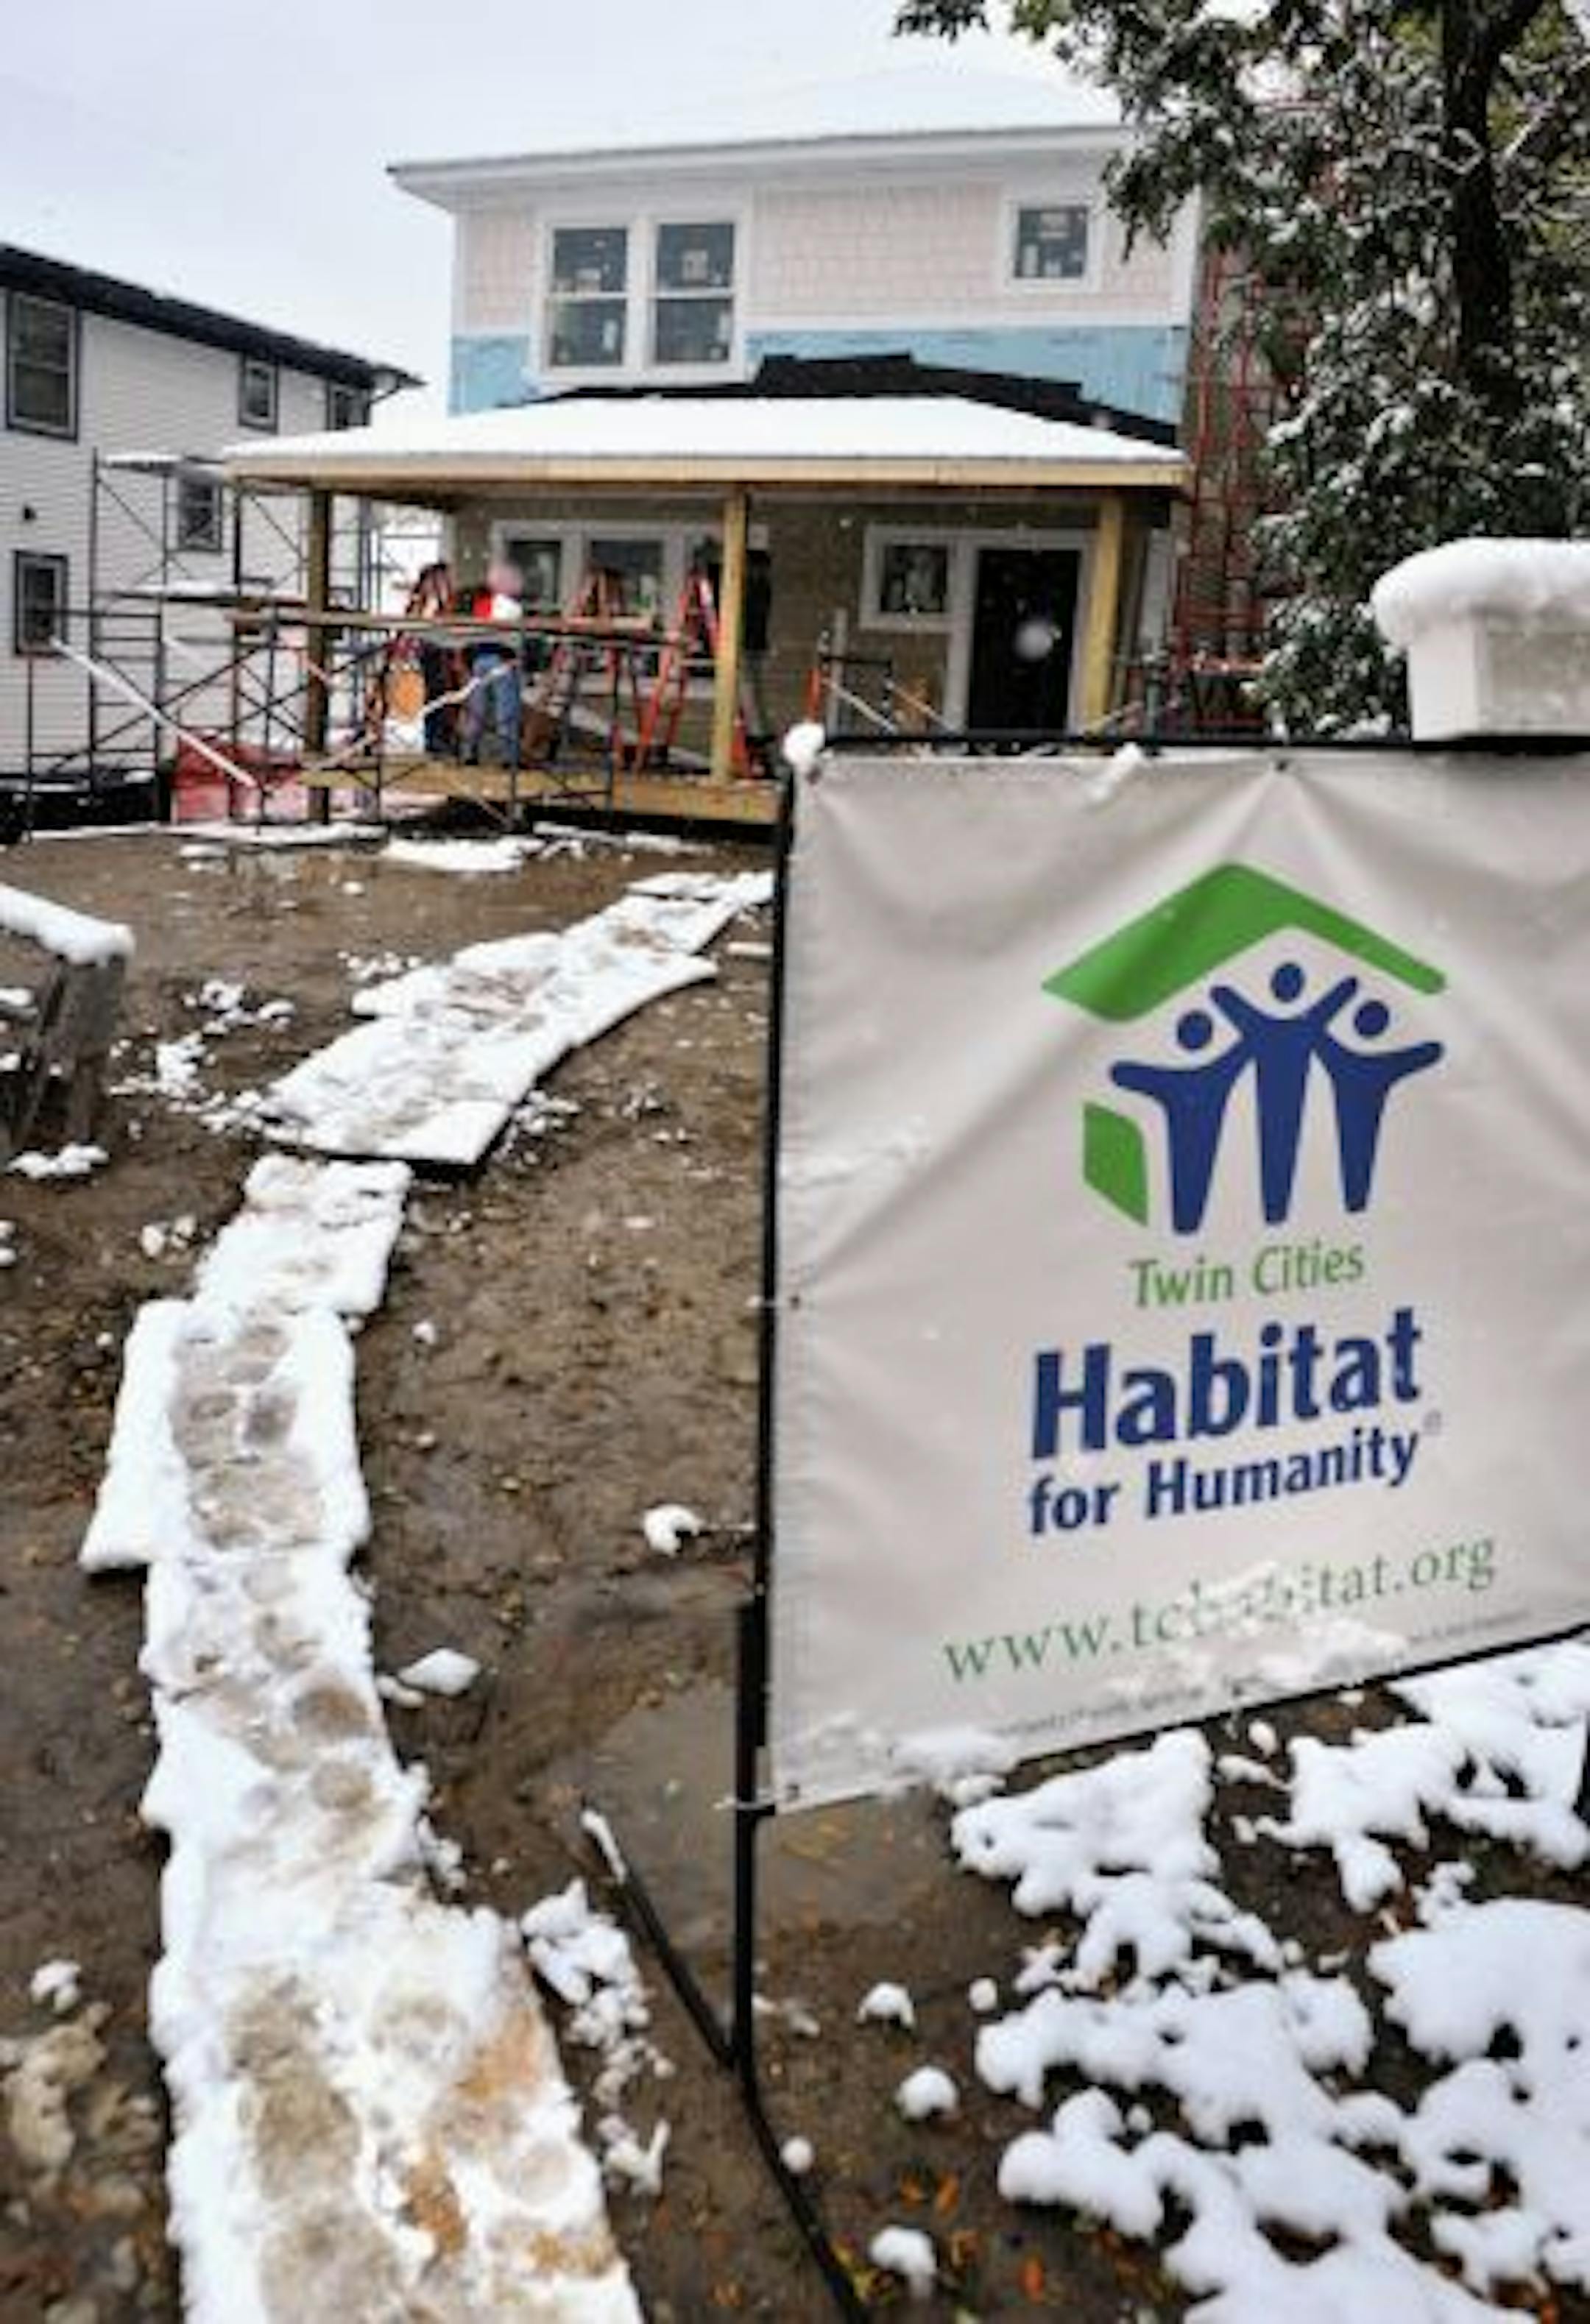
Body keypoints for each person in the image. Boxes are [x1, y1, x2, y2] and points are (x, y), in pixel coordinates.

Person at [462, 561, 523, 767]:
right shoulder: (513, 607)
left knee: (477, 709)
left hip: (480, 659)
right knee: (506, 710)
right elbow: (513, 639)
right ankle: (508, 757)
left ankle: (469, 753)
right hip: (502, 660)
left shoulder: (481, 605)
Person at [407, 561, 457, 759]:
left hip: (446, 652)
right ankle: (434, 740)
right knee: (434, 694)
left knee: (446, 695)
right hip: (431, 651)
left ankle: (444, 740)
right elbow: (415, 623)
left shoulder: (447, 599)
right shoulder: (424, 601)